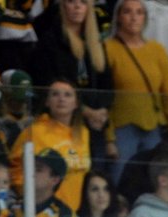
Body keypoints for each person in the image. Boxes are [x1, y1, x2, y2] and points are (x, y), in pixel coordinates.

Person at [104, 0, 168, 184]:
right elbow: (103, 94)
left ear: (145, 17)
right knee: (119, 178)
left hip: (153, 126)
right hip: (121, 127)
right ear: (118, 17)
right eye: (127, 12)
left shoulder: (157, 50)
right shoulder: (107, 48)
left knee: (153, 180)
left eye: (139, 12)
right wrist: (109, 136)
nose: (134, 17)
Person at [32, 0, 113, 156]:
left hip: (94, 125)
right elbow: (46, 83)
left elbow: (107, 83)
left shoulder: (96, 42)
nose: (77, 7)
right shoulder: (50, 41)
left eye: (83, 2)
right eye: (71, 2)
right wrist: (86, 111)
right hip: (62, 122)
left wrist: (103, 109)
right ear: (62, 6)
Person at [9, 79, 91, 212]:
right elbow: (16, 168)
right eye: (55, 94)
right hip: (41, 210)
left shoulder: (83, 133)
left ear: (76, 103)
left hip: (75, 212)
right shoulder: (34, 132)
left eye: (67, 95)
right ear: (47, 102)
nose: (61, 99)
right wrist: (28, 197)